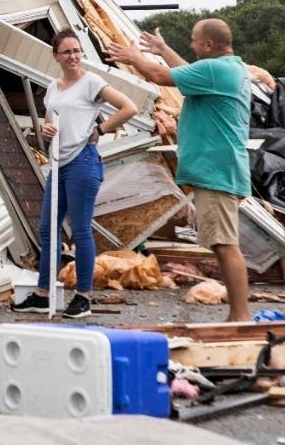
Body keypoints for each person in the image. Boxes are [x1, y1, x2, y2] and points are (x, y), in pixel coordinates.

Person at [106, 20, 252, 322]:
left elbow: (159, 75)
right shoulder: (223, 69)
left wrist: (135, 58)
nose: (192, 44)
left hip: (217, 171)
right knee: (221, 243)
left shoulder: (216, 70)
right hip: (220, 169)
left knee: (226, 245)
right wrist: (162, 49)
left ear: (209, 45)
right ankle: (237, 314)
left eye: (195, 40)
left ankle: (240, 315)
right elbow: (186, 70)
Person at [13, 28, 137, 319]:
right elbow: (50, 125)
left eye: (77, 50)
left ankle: (83, 297)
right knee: (47, 229)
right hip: (59, 162)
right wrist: (45, 131)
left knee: (80, 230)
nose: (73, 56)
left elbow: (128, 107)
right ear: (55, 56)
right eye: (66, 51)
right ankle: (43, 294)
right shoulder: (53, 89)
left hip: (83, 161)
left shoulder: (91, 81)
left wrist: (100, 130)